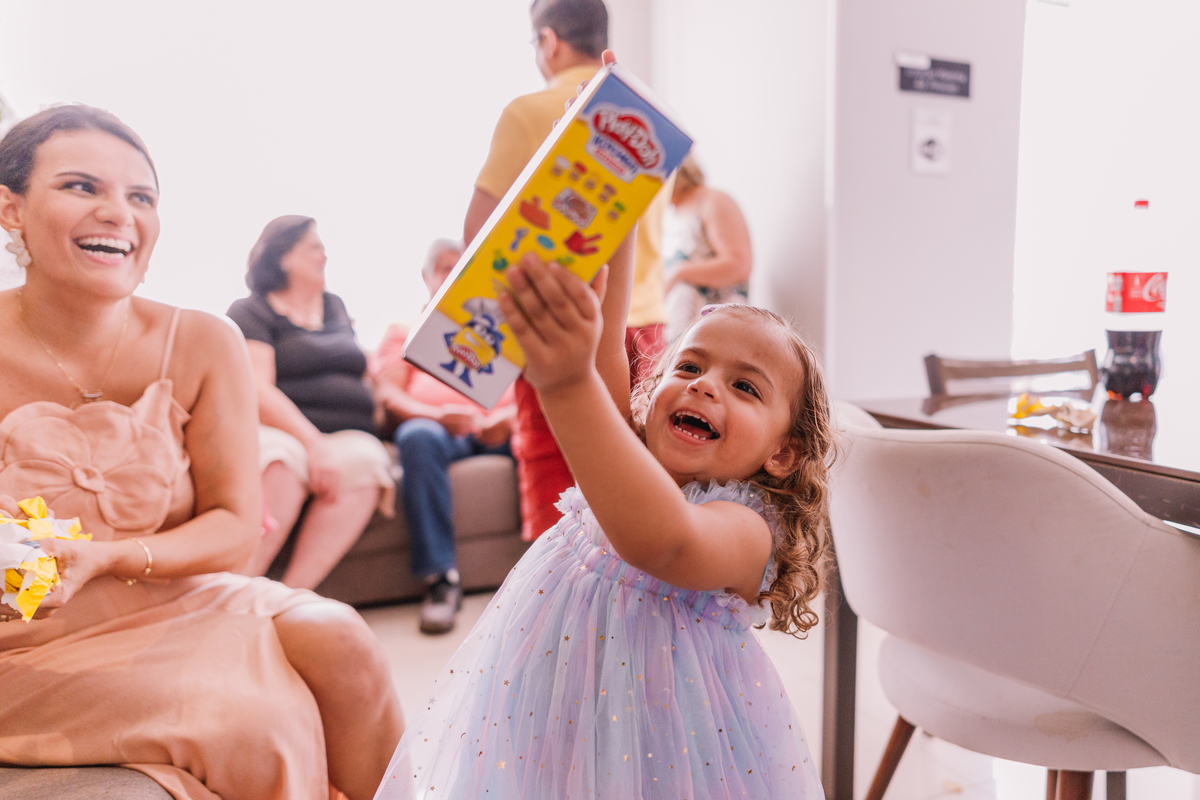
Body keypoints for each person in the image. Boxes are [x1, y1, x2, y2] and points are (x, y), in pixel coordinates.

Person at [375, 140, 832, 796]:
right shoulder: (634, 453)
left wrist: (562, 385)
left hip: (666, 753)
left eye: (746, 387)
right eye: (691, 366)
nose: (705, 387)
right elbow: (608, 334)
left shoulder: (745, 527)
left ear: (783, 453)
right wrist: (618, 208)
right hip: (548, 711)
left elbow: (663, 541)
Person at [0, 105, 402, 800]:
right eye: (81, 187)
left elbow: (234, 526)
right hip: (29, 638)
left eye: (141, 197)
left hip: (174, 595)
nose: (117, 213)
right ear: (11, 210)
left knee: (340, 633)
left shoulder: (204, 342)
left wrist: (109, 556)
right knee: (256, 719)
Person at [464, 0, 671, 542]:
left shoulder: (530, 112)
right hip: (647, 329)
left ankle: (550, 612)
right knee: (639, 488)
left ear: (549, 41)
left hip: (560, 323)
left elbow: (477, 240)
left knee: (557, 483)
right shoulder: (650, 118)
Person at [227, 216, 395, 590]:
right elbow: (257, 389)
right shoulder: (251, 310)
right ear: (284, 256)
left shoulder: (334, 306)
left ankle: (290, 600)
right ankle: (231, 595)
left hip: (349, 434)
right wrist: (313, 443)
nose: (325, 255)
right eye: (315, 247)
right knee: (283, 464)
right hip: (280, 429)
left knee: (366, 463)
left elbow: (360, 370)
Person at [373, 238, 517, 634]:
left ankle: (561, 562)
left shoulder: (503, 329)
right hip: (438, 431)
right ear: (427, 277)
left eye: (463, 268)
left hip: (500, 428)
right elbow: (388, 393)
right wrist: (436, 414)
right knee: (416, 435)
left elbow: (538, 393)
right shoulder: (404, 329)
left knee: (545, 433)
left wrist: (512, 419)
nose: (455, 276)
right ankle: (440, 581)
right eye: (445, 268)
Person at [662, 153, 753, 343]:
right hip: (679, 328)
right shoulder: (672, 212)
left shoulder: (712, 201)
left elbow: (739, 264)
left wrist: (680, 272)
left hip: (716, 327)